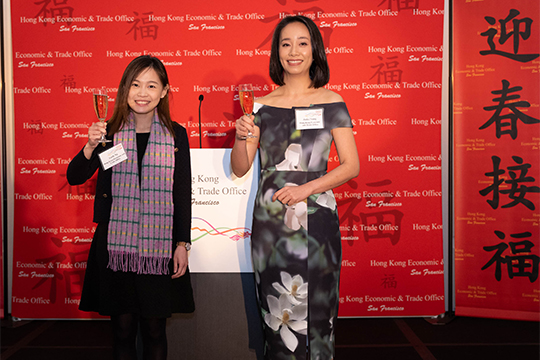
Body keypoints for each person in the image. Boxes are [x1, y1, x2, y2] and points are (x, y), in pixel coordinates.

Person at [231, 15, 359, 360]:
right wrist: (241, 136)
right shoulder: (261, 106)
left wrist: (307, 189)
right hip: (272, 225)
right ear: (277, 52)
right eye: (286, 43)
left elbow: (351, 165)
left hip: (317, 221)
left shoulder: (332, 101)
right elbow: (240, 168)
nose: (294, 51)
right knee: (276, 317)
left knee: (319, 311)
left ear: (314, 51)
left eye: (303, 43)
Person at [67, 55, 194, 360]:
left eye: (151, 85)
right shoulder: (108, 133)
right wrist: (89, 146)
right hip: (116, 249)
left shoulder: (176, 135)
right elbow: (75, 176)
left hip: (159, 247)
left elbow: (182, 193)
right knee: (122, 331)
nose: (142, 92)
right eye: (135, 84)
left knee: (154, 331)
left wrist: (182, 243)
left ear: (164, 91)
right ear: (125, 89)